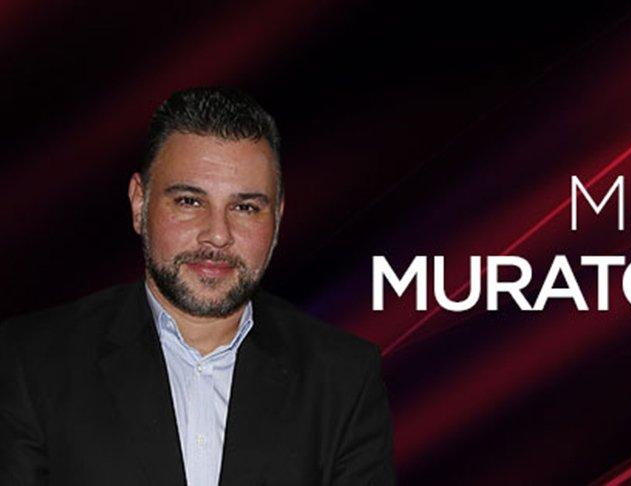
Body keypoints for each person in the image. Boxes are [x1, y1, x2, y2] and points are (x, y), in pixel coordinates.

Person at [0, 87, 396, 485]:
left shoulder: (343, 378)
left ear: (277, 218)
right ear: (140, 203)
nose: (217, 235)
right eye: (189, 201)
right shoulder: (30, 363)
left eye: (245, 207)